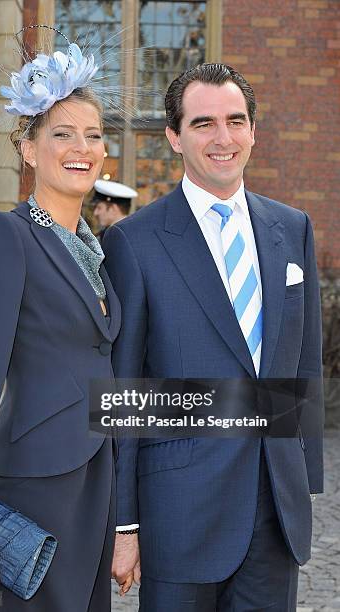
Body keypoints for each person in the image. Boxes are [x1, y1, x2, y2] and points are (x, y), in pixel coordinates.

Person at [103, 63, 324, 611]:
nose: (223, 138)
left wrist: (305, 480)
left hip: (275, 511)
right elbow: (126, 390)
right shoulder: (135, 242)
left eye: (236, 121)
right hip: (181, 513)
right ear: (175, 137)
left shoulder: (292, 228)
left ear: (253, 131)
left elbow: (306, 365)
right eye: (204, 124)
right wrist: (124, 523)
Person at [0, 41, 121, 611]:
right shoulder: (5, 235)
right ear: (29, 150)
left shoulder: (104, 253)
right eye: (62, 134)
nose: (80, 147)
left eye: (92, 134)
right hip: (30, 485)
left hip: (97, 485)